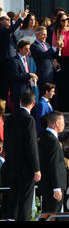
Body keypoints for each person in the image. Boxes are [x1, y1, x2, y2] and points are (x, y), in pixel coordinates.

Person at [2, 90, 41, 221]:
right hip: (26, 169)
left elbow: (6, 143)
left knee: (13, 200)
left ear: (20, 101)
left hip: (11, 166)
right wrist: (36, 168)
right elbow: (31, 146)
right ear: (33, 103)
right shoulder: (29, 120)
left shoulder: (9, 119)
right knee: (25, 202)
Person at [37, 111, 67, 213]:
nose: (64, 124)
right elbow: (53, 164)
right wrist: (56, 187)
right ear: (57, 123)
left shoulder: (44, 136)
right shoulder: (51, 140)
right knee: (52, 214)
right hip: (52, 187)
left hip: (48, 185)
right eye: (63, 121)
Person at [8, 40, 39, 111]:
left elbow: (27, 72)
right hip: (18, 91)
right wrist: (29, 75)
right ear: (20, 49)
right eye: (26, 49)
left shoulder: (28, 59)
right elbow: (15, 76)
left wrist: (32, 78)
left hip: (28, 90)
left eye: (29, 48)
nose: (28, 51)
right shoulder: (14, 61)